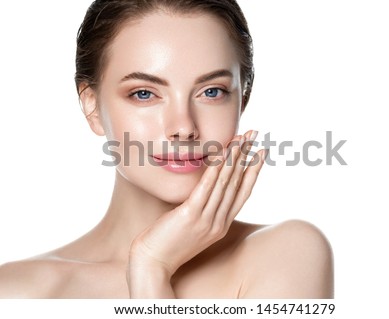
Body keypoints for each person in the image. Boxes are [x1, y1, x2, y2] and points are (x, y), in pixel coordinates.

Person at [0, 0, 333, 298]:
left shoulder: (287, 255)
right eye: (144, 93)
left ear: (242, 100)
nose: (184, 127)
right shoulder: (17, 292)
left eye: (212, 92)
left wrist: (152, 268)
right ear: (92, 106)